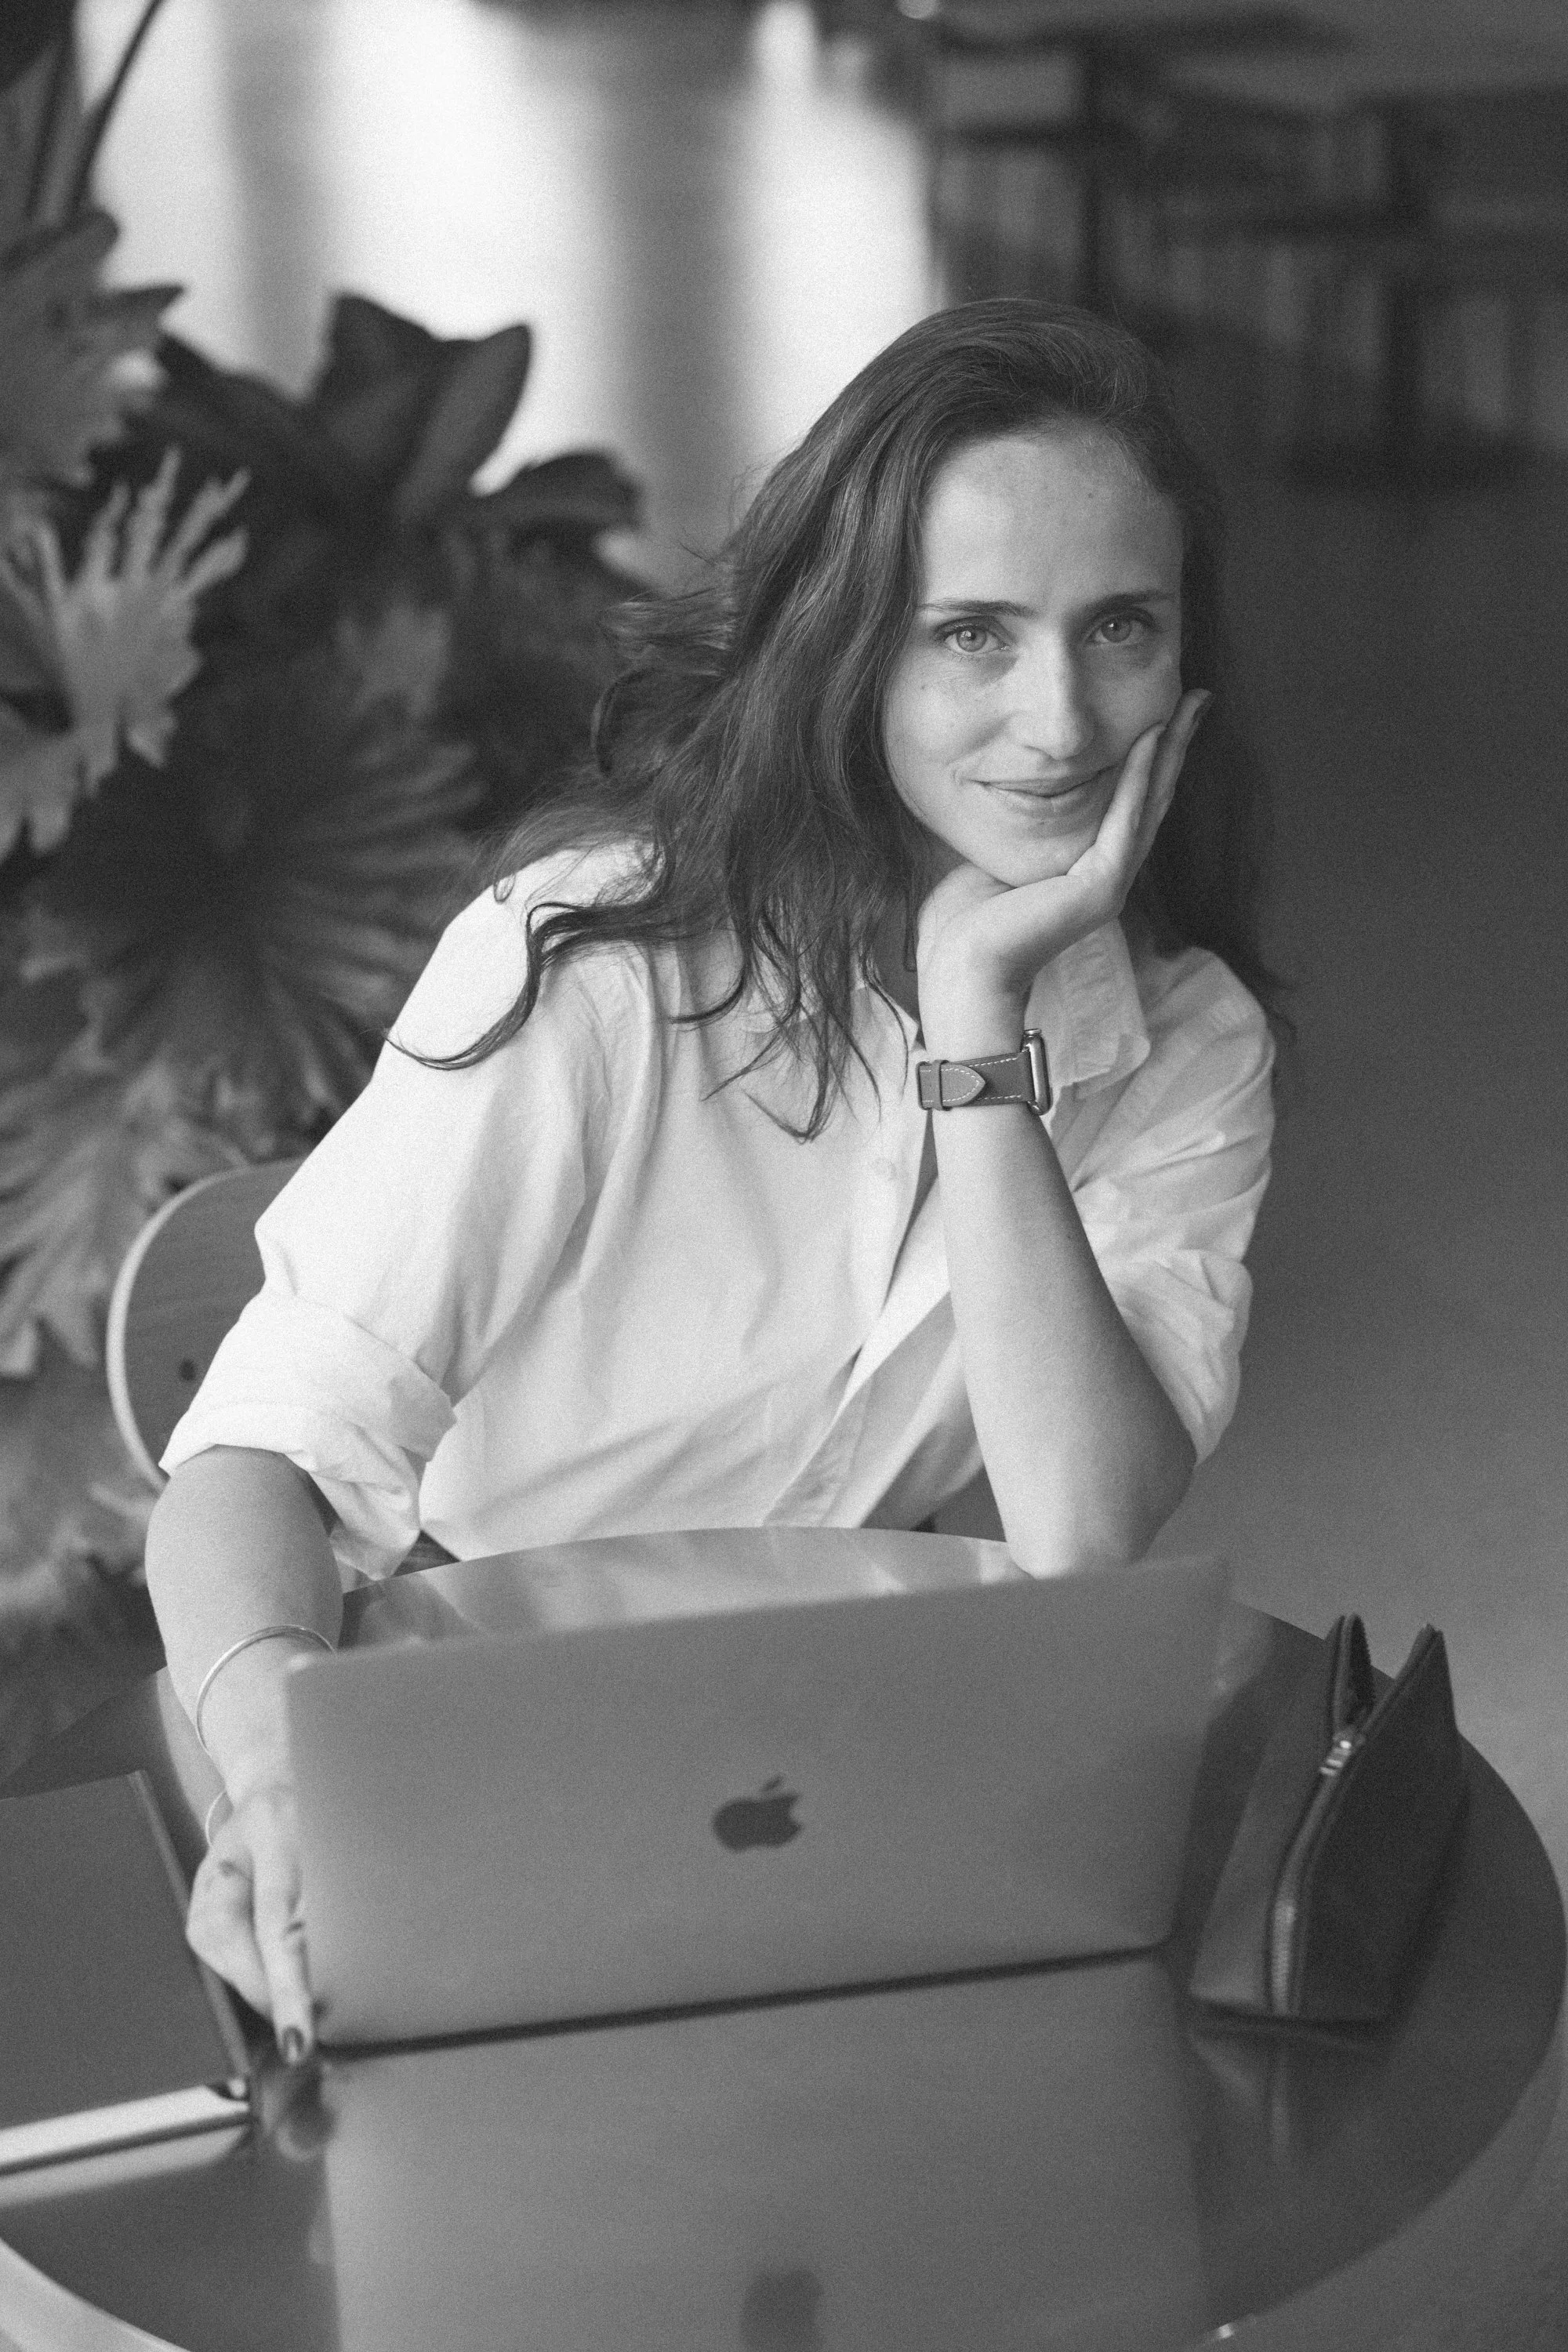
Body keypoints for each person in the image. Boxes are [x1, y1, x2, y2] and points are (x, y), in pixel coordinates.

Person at [144, 298, 1283, 2060]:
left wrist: (974, 1021)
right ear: (846, 650)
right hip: (477, 1697)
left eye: (1116, 627)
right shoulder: (596, 971)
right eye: (970, 634)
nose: (1060, 720)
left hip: (853, 1735)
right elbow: (258, 1454)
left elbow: (1078, 1528)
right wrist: (282, 1755)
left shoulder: (1185, 1040)